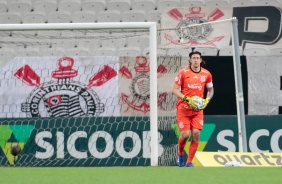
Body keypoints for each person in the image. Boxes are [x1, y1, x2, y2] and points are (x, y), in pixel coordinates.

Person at [172, 51, 214, 167]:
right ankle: (180, 154)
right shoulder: (183, 73)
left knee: (196, 134)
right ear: (190, 60)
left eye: (198, 58)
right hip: (183, 109)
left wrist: (207, 100)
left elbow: (211, 90)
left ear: (201, 60)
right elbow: (174, 90)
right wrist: (187, 99)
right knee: (185, 135)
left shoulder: (206, 74)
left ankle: (189, 162)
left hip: (197, 110)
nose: (196, 60)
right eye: (193, 58)